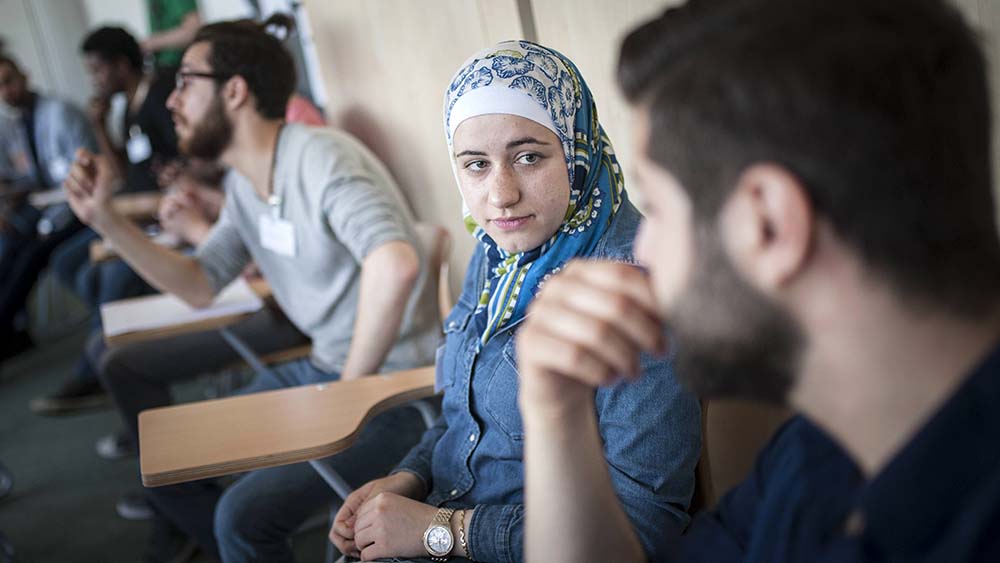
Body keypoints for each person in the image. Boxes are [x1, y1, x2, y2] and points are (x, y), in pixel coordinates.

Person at [515, 0, 1000, 562]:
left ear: (769, 222)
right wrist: (557, 415)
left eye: (659, 209)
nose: (644, 249)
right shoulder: (816, 453)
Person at [64, 16, 441, 563]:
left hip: (392, 393)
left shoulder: (319, 157)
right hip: (326, 371)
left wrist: (347, 392)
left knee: (241, 519)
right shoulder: (246, 183)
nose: (171, 99)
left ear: (235, 91)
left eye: (186, 81)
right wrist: (106, 221)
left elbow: (396, 263)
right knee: (176, 450)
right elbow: (200, 285)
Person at [328, 40, 701, 563]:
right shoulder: (499, 256)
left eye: (528, 157)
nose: (501, 194)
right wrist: (408, 478)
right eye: (476, 165)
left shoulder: (630, 291)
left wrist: (442, 530)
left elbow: (642, 527)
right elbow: (465, 419)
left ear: (576, 148)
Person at [29, 26, 179, 412]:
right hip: (135, 213)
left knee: (108, 277)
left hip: (163, 221)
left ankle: (96, 371)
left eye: (98, 70)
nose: (94, 80)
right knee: (67, 261)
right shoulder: (128, 107)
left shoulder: (162, 98)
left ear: (122, 65)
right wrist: (98, 125)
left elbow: (180, 174)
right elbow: (125, 172)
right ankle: (119, 338)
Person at [0, 51, 97, 362]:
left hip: (74, 209)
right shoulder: (17, 123)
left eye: (9, 81)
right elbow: (32, 174)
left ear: (24, 76)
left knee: (31, 253)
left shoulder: (60, 112)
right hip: (43, 206)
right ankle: (11, 333)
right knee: (8, 247)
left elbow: (84, 172)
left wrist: (47, 220)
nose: (6, 92)